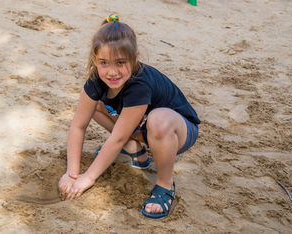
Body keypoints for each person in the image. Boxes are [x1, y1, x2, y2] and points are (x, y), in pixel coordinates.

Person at [58, 15, 200, 219]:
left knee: (157, 119)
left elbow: (116, 139)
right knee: (95, 106)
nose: (112, 72)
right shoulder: (96, 80)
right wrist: (72, 174)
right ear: (94, 59)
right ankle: (135, 153)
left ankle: (164, 185)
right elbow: (78, 126)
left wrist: (87, 178)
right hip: (143, 130)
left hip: (179, 131)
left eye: (120, 62)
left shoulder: (139, 84)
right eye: (104, 62)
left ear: (134, 58)